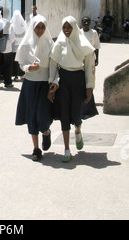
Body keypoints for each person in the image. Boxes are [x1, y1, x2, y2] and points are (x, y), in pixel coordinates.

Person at [48, 16, 98, 163]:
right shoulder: (59, 43)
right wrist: (52, 83)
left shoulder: (83, 44)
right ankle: (66, 149)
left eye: (69, 27)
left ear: (75, 27)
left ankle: (78, 130)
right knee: (64, 113)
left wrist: (89, 87)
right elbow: (53, 64)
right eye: (64, 27)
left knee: (77, 113)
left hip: (78, 80)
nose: (67, 30)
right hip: (64, 80)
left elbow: (89, 67)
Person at [15, 15, 58, 161]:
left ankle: (46, 131)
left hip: (44, 84)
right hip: (30, 84)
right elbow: (21, 64)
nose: (39, 30)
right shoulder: (26, 44)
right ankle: (36, 148)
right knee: (32, 116)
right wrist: (29, 67)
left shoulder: (50, 44)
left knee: (42, 115)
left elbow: (54, 65)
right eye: (37, 27)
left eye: (42, 27)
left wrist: (53, 82)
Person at [0, 7, 15, 89]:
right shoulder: (9, 24)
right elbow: (11, 38)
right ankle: (8, 83)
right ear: (8, 14)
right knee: (7, 65)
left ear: (0, 14)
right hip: (7, 48)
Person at [10, 10, 26, 81]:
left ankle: (14, 75)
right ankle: (21, 74)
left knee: (14, 61)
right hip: (20, 47)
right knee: (19, 61)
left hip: (13, 47)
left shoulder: (11, 25)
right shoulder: (23, 26)